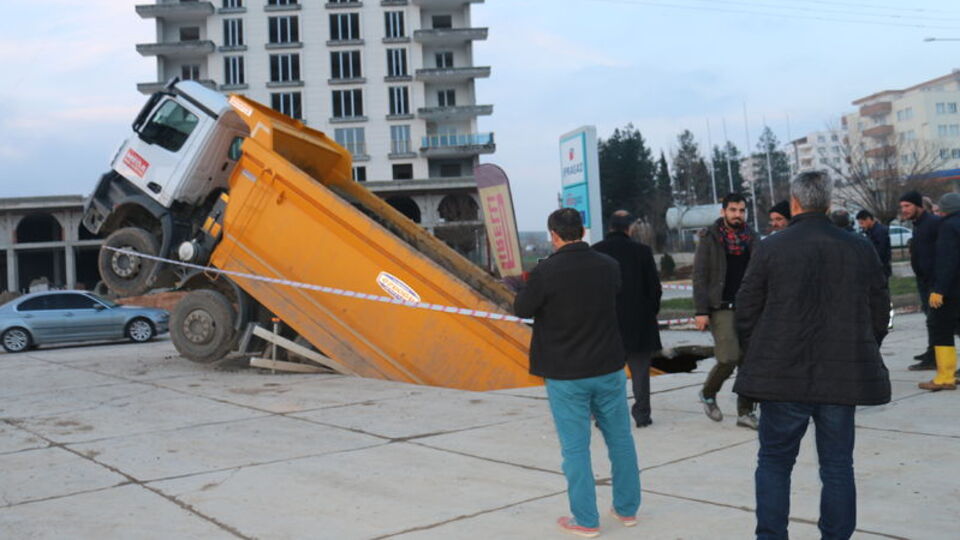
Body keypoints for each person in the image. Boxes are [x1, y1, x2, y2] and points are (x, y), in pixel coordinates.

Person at [734, 171, 891, 540]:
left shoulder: (772, 246)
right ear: (829, 202)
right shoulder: (858, 247)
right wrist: (860, 346)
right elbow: (879, 310)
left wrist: (764, 348)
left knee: (774, 463)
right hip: (839, 378)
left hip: (783, 376)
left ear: (795, 203)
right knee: (837, 467)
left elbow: (745, 309)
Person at [514, 208, 640, 538]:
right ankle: (627, 510)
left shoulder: (546, 272)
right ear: (583, 231)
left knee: (575, 449)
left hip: (565, 372)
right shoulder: (609, 266)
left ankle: (585, 519)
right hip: (608, 367)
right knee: (621, 440)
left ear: (553, 235)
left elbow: (522, 309)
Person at [693, 192, 759, 429]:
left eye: (741, 210)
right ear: (723, 212)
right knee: (729, 356)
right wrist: (701, 311)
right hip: (720, 307)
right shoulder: (709, 237)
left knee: (749, 362)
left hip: (749, 308)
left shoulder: (752, 238)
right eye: (733, 210)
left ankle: (745, 412)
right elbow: (700, 277)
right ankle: (708, 393)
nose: (737, 215)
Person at [594, 210, 663, 428]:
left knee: (605, 374)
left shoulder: (596, 251)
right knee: (640, 373)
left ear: (609, 228)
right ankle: (642, 415)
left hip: (606, 323)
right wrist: (649, 312)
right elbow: (655, 288)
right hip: (639, 321)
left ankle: (604, 416)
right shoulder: (642, 252)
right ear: (629, 229)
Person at [918, 192, 960, 391]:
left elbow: (947, 260)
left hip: (950, 290)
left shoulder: (948, 227)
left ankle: (945, 377)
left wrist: (939, 289)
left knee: (940, 328)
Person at [900, 190, 942, 370]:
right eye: (902, 206)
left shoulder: (933, 224)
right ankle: (932, 352)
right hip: (925, 281)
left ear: (918, 205)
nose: (904, 210)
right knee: (932, 321)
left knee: (940, 322)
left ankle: (934, 357)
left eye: (907, 206)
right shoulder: (918, 224)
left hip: (935, 281)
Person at [856, 210, 892, 278]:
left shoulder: (879, 231)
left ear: (868, 219)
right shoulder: (869, 231)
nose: (861, 226)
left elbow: (881, 251)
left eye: (862, 223)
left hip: (881, 268)